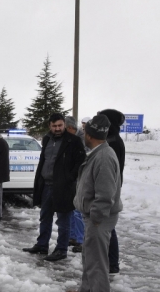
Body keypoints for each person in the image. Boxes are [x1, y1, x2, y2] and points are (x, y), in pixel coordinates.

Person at [22, 113, 86, 261]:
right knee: (45, 216)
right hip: (46, 185)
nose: (57, 128)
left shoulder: (74, 141)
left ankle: (61, 249)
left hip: (63, 187)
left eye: (60, 125)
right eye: (54, 126)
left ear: (64, 124)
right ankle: (42, 245)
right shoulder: (47, 139)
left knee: (64, 219)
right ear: (49, 126)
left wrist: (69, 178)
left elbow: (80, 162)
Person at [75, 114, 123, 291]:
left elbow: (105, 195)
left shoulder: (103, 157)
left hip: (99, 219)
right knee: (89, 259)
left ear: (89, 135)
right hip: (93, 218)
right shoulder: (98, 153)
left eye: (84, 131)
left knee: (97, 265)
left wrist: (95, 218)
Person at [98, 109, 126, 275]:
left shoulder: (113, 142)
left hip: (111, 188)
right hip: (112, 186)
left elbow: (109, 169)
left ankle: (113, 263)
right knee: (107, 227)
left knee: (108, 227)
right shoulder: (111, 139)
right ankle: (110, 262)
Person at [65, 116, 86, 253]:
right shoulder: (71, 138)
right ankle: (73, 236)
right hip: (73, 179)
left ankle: (81, 240)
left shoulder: (82, 139)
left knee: (78, 211)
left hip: (81, 178)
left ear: (71, 128)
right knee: (72, 209)